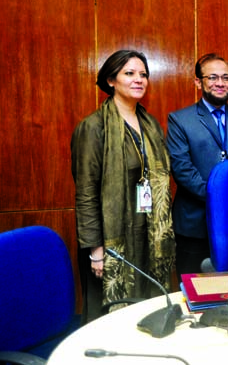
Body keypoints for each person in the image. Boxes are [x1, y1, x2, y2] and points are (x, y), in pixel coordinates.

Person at [71, 50, 175, 324]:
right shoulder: (93, 128)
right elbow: (86, 194)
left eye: (143, 74)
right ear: (111, 80)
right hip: (110, 240)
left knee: (146, 311)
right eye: (129, 74)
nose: (138, 80)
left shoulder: (150, 124)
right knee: (109, 319)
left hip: (148, 235)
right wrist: (96, 251)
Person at [167, 53, 228, 276]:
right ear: (198, 82)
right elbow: (183, 170)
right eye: (213, 77)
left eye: (226, 77)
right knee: (195, 289)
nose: (220, 83)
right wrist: (220, 199)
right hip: (195, 224)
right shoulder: (180, 120)